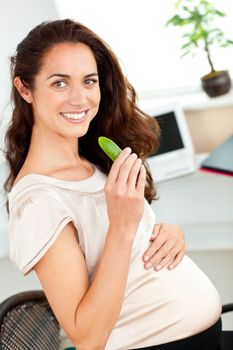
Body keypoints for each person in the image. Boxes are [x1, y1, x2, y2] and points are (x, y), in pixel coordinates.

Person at [4, 19, 222, 350]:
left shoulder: (89, 161)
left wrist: (165, 234)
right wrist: (122, 227)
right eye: (60, 83)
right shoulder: (38, 202)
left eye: (88, 81)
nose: (79, 99)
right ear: (25, 89)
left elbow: (120, 254)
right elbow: (87, 337)